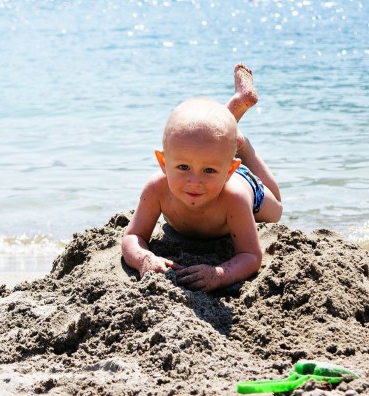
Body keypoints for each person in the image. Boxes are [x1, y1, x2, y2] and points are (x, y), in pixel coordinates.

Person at [121, 63, 282, 291]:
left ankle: (242, 145)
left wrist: (219, 274)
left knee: (276, 210)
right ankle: (230, 124)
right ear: (164, 163)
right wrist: (143, 259)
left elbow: (251, 256)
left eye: (208, 171)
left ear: (228, 171)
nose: (194, 182)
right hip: (216, 158)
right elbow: (132, 238)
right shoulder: (157, 188)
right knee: (209, 145)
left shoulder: (234, 198)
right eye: (183, 167)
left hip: (248, 186)